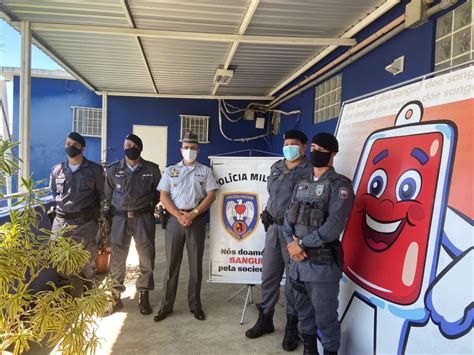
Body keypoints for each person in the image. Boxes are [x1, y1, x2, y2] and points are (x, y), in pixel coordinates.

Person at [284, 132, 355, 355]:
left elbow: (333, 226)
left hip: (322, 267)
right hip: (297, 266)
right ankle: (309, 350)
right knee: (304, 315)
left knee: (325, 319)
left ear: (333, 154)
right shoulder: (302, 183)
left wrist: (302, 244)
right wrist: (292, 246)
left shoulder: (340, 186)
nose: (315, 152)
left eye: (321, 150)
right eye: (312, 147)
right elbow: (288, 218)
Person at [246, 129, 312, 351]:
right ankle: (266, 319)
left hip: (294, 232)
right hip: (273, 228)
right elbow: (273, 195)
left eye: (294, 143)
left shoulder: (310, 169)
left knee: (294, 281)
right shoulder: (277, 166)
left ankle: (292, 326)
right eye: (286, 143)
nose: (289, 146)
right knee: (268, 276)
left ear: (304, 147)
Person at [154, 131, 219, 322]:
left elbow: (211, 195)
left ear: (198, 150)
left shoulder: (205, 171)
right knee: (172, 265)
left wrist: (193, 214)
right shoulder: (170, 170)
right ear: (180, 149)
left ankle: (195, 305)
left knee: (195, 267)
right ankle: (166, 306)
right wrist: (179, 215)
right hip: (175, 220)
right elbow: (163, 196)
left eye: (192, 148)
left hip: (196, 220)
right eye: (186, 147)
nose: (189, 151)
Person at [105, 134, 161, 315]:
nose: (128, 148)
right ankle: (115, 296)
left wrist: (147, 208)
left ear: (139, 148)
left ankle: (143, 294)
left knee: (146, 256)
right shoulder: (113, 170)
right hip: (119, 219)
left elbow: (158, 193)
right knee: (117, 258)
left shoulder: (152, 169)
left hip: (143, 218)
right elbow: (107, 195)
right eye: (126, 145)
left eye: (132, 145)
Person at [50, 132, 105, 289]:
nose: (70, 147)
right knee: (61, 261)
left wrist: (102, 221)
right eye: (67, 144)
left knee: (87, 262)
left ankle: (89, 295)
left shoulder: (94, 170)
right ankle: (67, 296)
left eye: (74, 145)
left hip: (86, 223)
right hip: (61, 223)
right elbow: (54, 193)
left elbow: (103, 195)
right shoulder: (57, 170)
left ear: (82, 148)